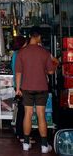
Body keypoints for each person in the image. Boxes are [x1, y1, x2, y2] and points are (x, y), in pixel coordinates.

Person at [15, 26, 58, 154]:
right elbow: (50, 71)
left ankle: (26, 144)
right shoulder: (44, 52)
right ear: (38, 36)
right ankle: (44, 146)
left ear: (30, 36)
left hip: (26, 88)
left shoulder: (21, 52)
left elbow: (18, 72)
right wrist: (55, 65)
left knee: (27, 114)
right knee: (41, 115)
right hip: (41, 88)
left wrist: (18, 89)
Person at [11, 35, 26, 141]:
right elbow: (19, 71)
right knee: (23, 110)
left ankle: (18, 132)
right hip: (20, 85)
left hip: (17, 84)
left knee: (21, 109)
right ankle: (21, 134)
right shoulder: (20, 54)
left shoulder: (15, 54)